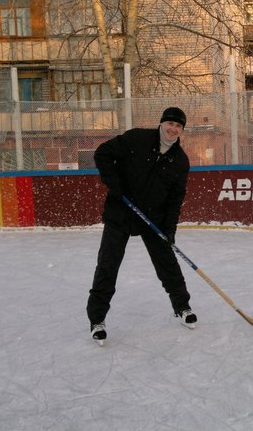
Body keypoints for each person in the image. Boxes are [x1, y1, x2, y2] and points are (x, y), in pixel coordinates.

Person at [87, 107, 195, 344]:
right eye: (170, 123)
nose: (173, 129)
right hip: (121, 213)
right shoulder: (137, 138)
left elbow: (176, 199)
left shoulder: (180, 161)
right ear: (161, 123)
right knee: (108, 265)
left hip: (152, 219)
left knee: (167, 264)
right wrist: (115, 185)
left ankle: (182, 307)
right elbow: (102, 153)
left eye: (179, 126)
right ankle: (97, 320)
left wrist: (170, 229)